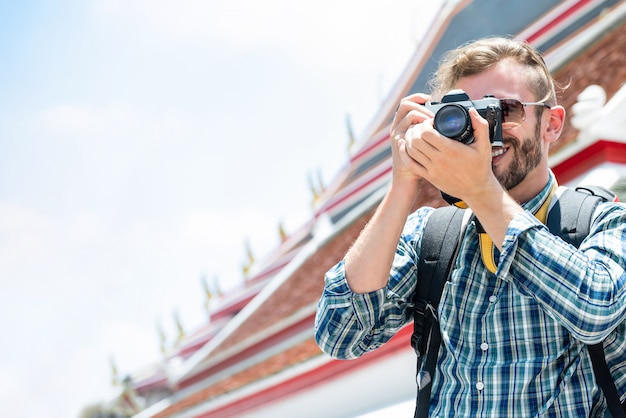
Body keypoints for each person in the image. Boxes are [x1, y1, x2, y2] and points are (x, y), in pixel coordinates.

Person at [314, 36, 626, 417]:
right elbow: (341, 334)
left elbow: (595, 309)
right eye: (465, 112)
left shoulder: (604, 221)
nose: (483, 130)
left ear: (551, 124)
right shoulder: (432, 238)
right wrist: (402, 183)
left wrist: (480, 189)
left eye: (504, 110)